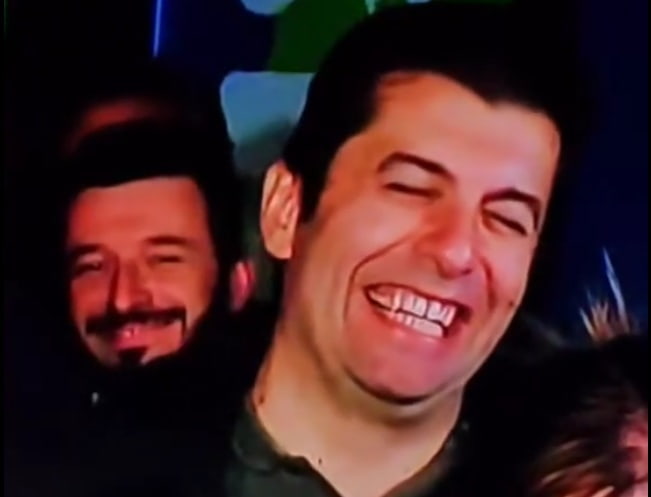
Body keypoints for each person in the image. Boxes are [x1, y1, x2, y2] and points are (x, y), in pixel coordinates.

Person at [222, 3, 587, 497]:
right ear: (284, 209)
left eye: (505, 219)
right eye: (411, 188)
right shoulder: (121, 461)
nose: (455, 251)